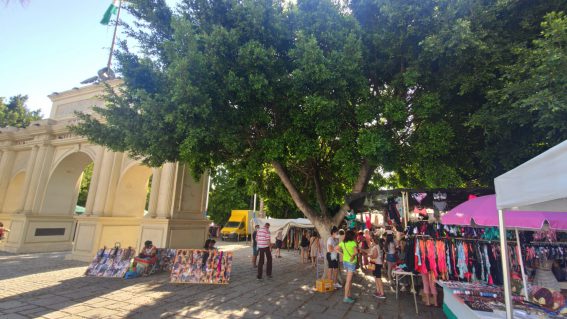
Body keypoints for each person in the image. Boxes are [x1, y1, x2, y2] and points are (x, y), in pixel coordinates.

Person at [337, 230, 358, 303]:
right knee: (348, 281)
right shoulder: (352, 243)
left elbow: (335, 248)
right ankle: (346, 297)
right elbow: (356, 252)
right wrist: (352, 256)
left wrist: (342, 254)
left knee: (349, 280)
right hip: (351, 263)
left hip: (345, 262)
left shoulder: (343, 242)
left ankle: (348, 295)